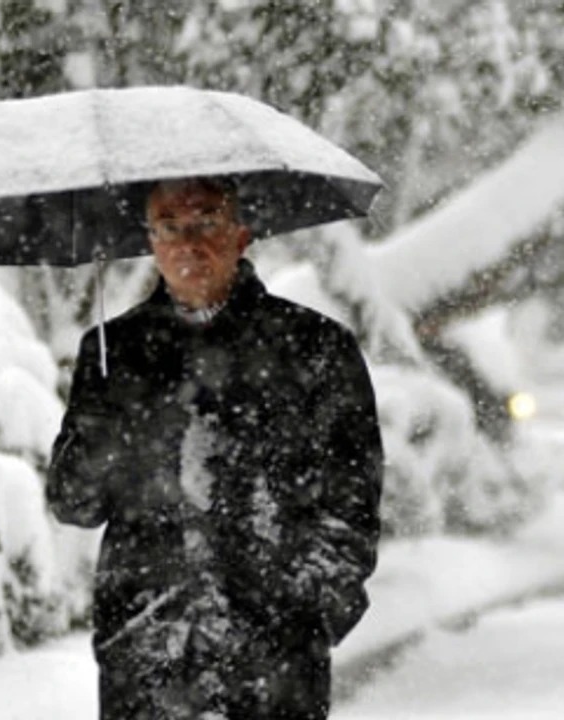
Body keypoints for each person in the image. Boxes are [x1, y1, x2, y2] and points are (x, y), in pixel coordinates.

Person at [47, 176, 383, 720]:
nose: (187, 242)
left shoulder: (314, 348)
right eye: (169, 227)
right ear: (150, 239)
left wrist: (308, 609)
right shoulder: (113, 354)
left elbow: (352, 502)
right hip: (146, 651)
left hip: (276, 661)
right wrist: (107, 424)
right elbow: (74, 503)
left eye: (206, 221)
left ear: (242, 230)